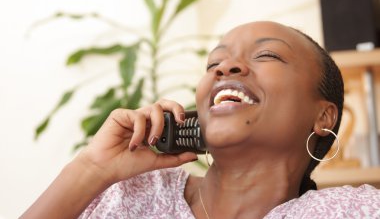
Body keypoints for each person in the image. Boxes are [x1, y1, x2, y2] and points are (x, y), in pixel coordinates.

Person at [21, 21, 380, 219]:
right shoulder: (133, 197)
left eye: (267, 55)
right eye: (213, 64)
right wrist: (90, 169)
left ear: (324, 116)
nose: (225, 68)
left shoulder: (355, 211)